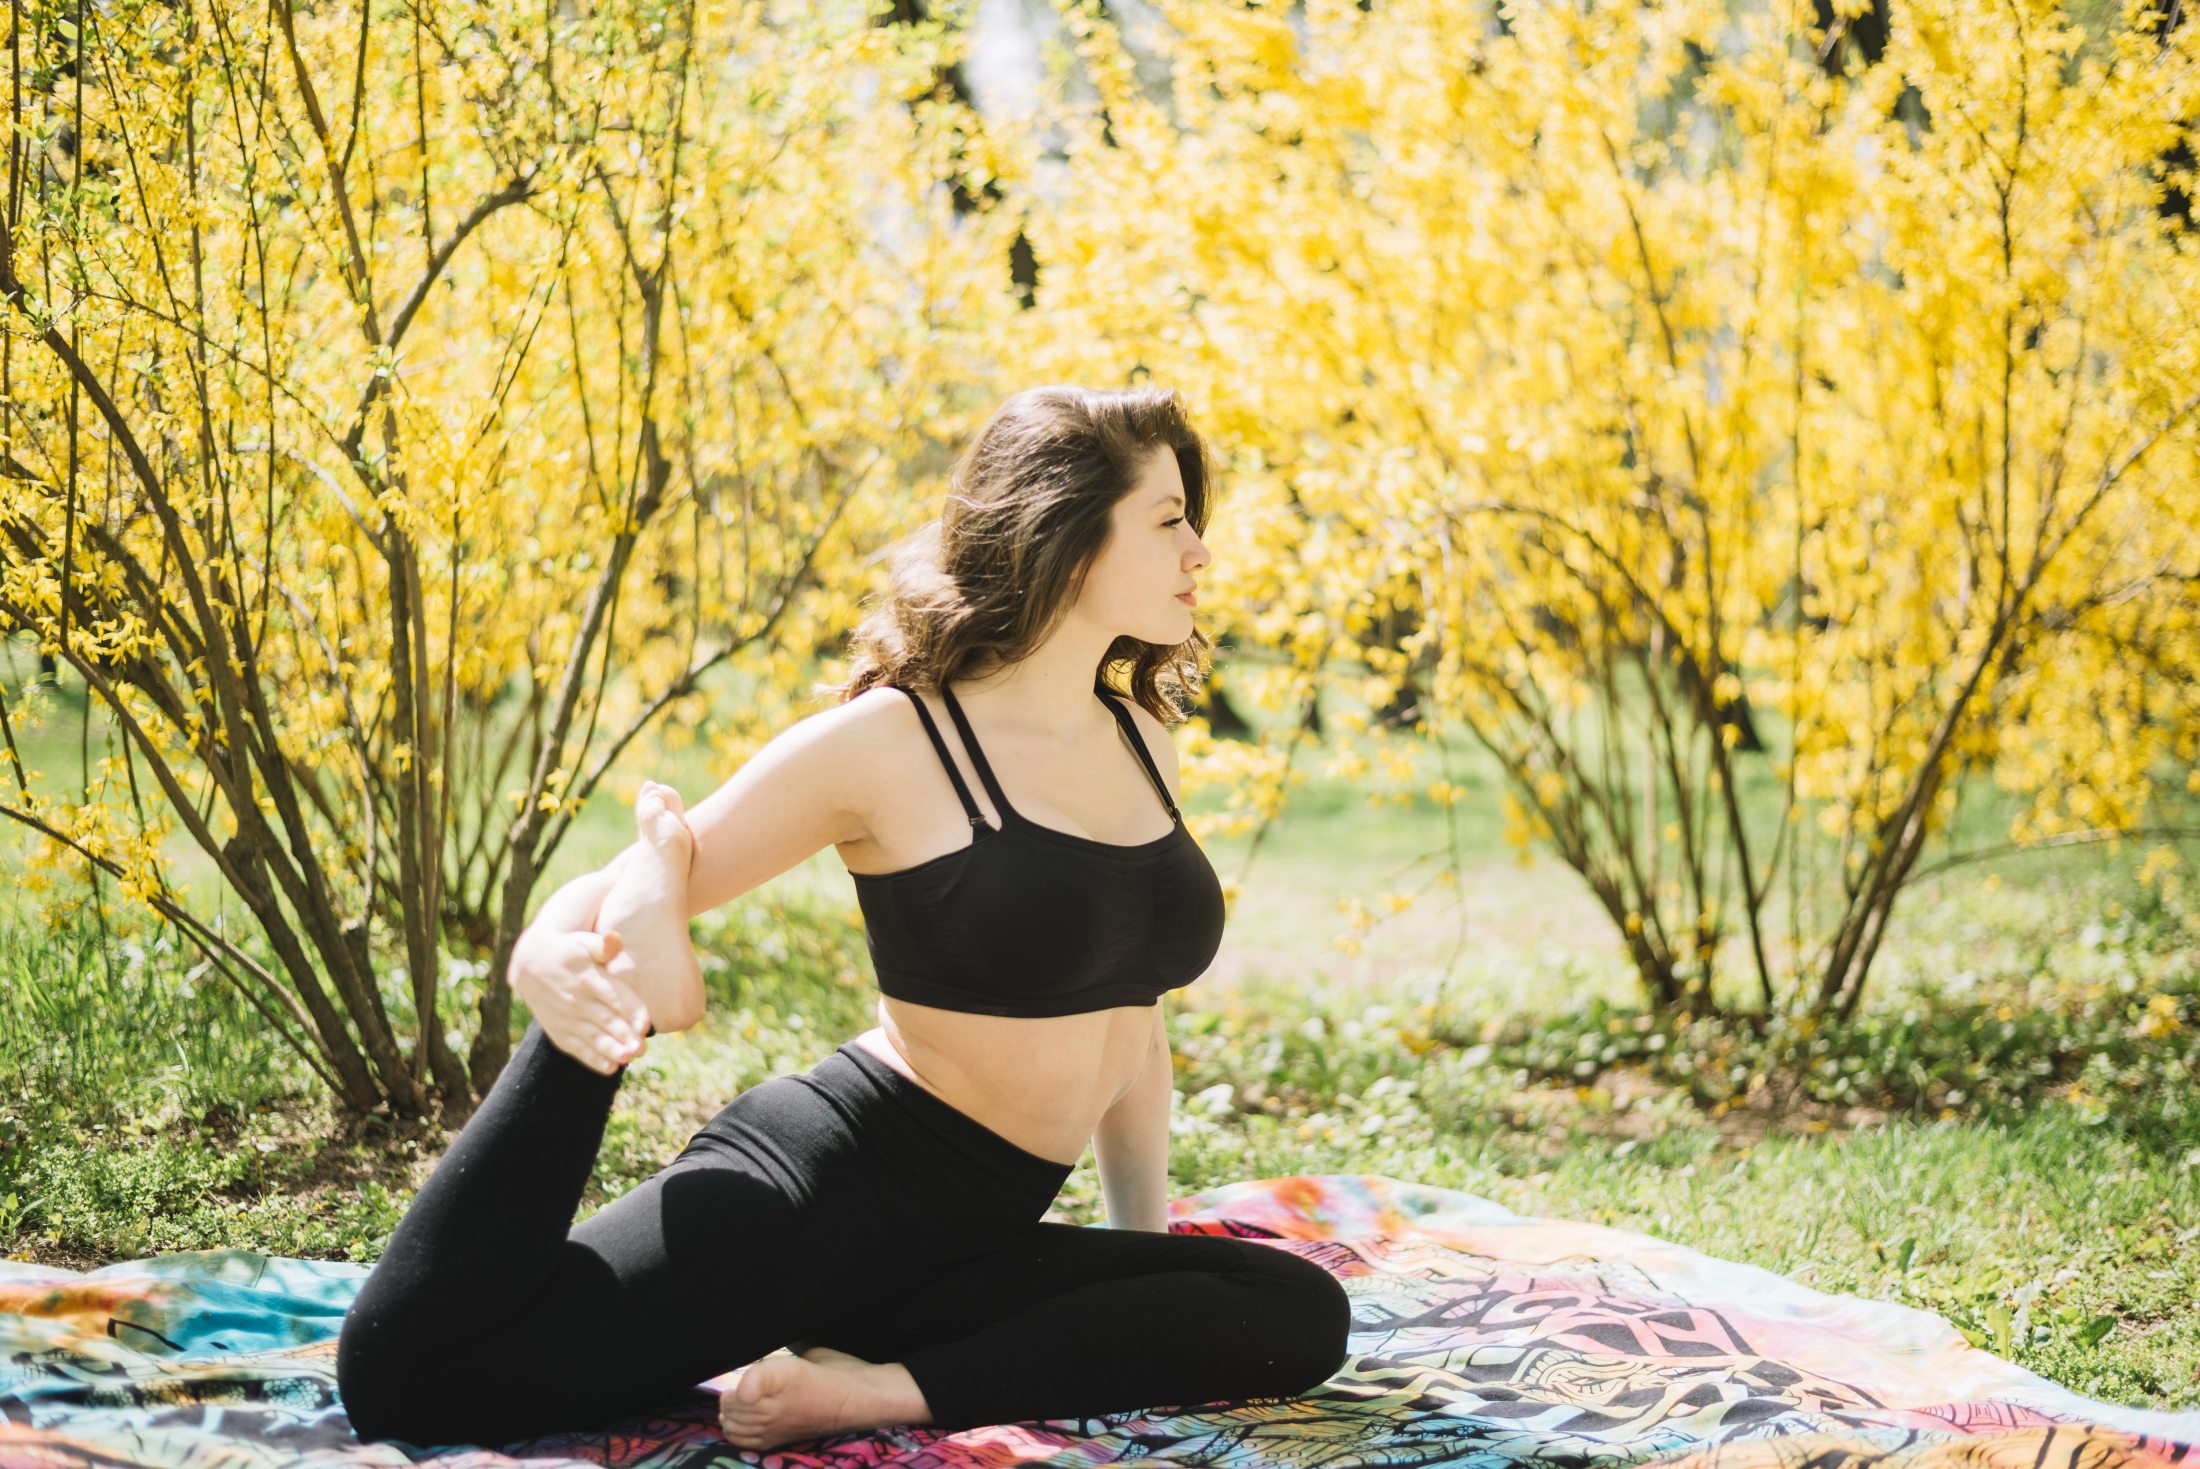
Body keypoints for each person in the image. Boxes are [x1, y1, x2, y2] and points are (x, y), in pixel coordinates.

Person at [335, 386, 1352, 1453]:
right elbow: (602, 890)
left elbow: (1130, 1009)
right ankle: (596, 1039)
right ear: (1065, 530)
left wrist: (1137, 1261)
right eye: (1168, 518)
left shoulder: (1142, 731)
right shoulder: (892, 741)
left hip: (976, 1238)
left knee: (1295, 1310)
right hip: (823, 1197)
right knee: (413, 1380)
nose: (1199, 549)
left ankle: (870, 1387)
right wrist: (548, 949)